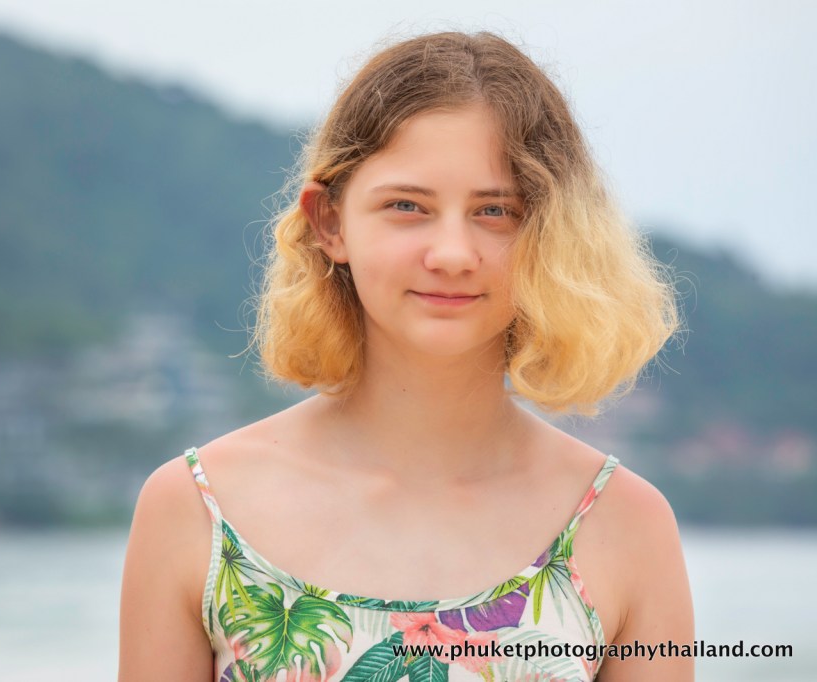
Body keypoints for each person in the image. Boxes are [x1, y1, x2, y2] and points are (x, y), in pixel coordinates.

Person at [118, 30, 693, 681]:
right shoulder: (195, 509)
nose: (451, 253)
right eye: (407, 206)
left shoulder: (625, 526)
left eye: (496, 211)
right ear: (330, 224)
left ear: (553, 235)